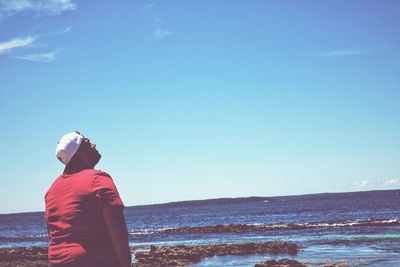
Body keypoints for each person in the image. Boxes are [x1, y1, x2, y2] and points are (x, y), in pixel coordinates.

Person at [45, 131, 131, 267]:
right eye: (88, 143)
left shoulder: (52, 189)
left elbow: (53, 234)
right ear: (81, 154)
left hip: (58, 262)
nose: (94, 145)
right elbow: (116, 226)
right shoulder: (98, 179)